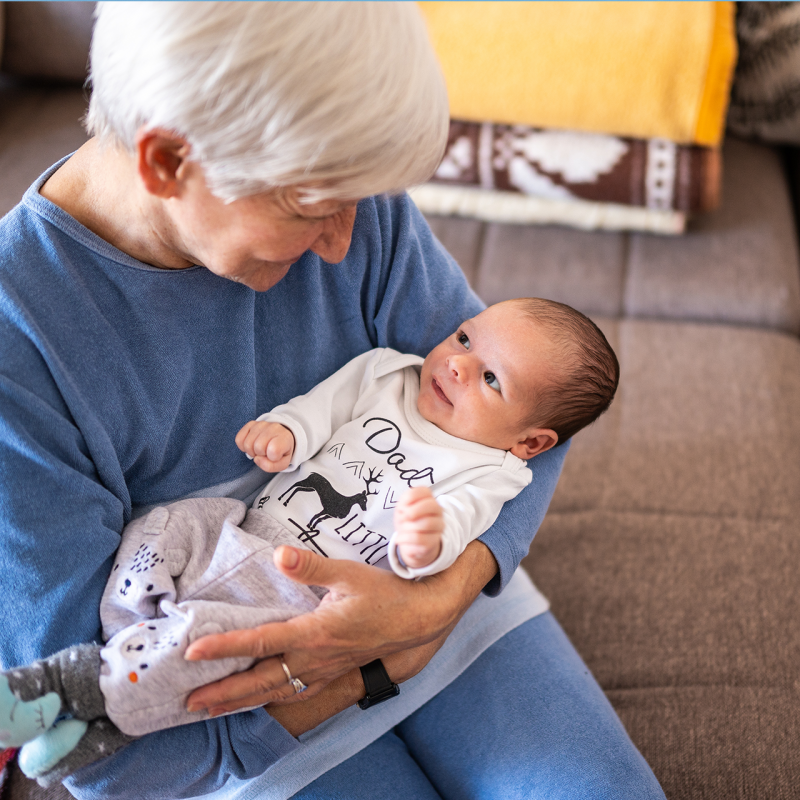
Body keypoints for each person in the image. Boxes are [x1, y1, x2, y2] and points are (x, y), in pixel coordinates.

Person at [0, 3, 666, 798]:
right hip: (236, 717)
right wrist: (372, 665)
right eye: (313, 211)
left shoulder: (349, 193)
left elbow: (533, 421)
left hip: (448, 619)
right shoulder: (20, 347)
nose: (347, 245)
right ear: (169, 162)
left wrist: (439, 599)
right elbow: (104, 751)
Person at [0, 297, 620, 780]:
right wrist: (288, 433)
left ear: (531, 442)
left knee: (203, 641)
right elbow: (320, 408)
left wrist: (424, 541)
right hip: (241, 531)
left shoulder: (491, 472)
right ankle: (124, 645)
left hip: (300, 597)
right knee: (169, 522)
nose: (456, 362)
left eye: (490, 379)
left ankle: (65, 691)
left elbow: (445, 541)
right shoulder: (386, 373)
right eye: (463, 338)